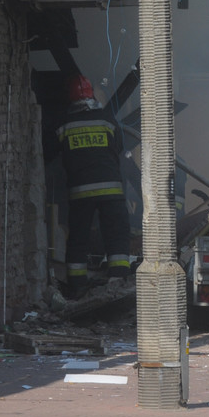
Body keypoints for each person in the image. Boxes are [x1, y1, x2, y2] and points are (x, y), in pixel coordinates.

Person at [56, 74, 131, 299]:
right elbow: (118, 147)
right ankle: (119, 279)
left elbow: (51, 154)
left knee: (78, 237)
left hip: (80, 192)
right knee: (116, 233)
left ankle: (77, 285)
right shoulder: (107, 120)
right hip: (111, 189)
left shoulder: (64, 125)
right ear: (92, 96)